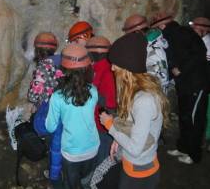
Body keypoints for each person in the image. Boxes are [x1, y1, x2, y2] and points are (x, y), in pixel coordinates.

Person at [100, 32, 169, 189]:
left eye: (115, 64)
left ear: (127, 67)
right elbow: (132, 122)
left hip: (139, 172)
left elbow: (135, 149)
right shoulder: (135, 89)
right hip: (133, 165)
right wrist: (118, 139)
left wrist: (110, 126)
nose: (112, 68)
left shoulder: (144, 100)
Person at [150, 12, 208, 164]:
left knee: (195, 119)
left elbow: (200, 53)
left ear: (162, 26)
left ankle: (194, 155)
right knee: (185, 117)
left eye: (158, 27)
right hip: (185, 84)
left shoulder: (180, 33)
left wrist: (180, 69)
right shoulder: (173, 34)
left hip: (196, 83)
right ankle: (183, 147)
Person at [45, 44, 100, 189]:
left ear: (63, 69)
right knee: (86, 180)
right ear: (87, 67)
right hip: (93, 147)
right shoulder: (93, 91)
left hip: (71, 152)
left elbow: (50, 127)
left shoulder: (57, 97)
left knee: (71, 183)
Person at [27, 32, 64, 185]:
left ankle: (54, 177)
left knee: (54, 143)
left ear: (38, 50)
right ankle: (62, 171)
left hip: (50, 110)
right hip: (65, 107)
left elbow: (33, 95)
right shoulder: (63, 60)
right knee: (61, 142)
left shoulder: (43, 67)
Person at [86, 36, 117, 165]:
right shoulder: (98, 68)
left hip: (103, 126)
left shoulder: (107, 72)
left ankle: (98, 181)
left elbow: (109, 103)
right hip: (98, 122)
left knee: (102, 157)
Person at [122, 14, 169, 94]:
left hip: (151, 100)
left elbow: (158, 82)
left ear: (136, 31)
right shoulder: (143, 46)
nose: (126, 36)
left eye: (127, 32)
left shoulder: (153, 51)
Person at [189, 17, 210, 151]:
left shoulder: (207, 44)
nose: (191, 28)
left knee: (203, 115)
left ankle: (202, 143)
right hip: (200, 83)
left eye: (194, 26)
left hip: (204, 84)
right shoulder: (199, 41)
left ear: (203, 29)